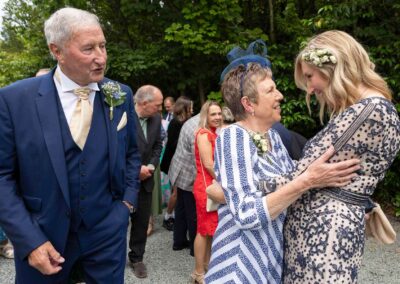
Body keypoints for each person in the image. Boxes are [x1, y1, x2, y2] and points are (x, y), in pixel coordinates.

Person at [0, 7, 141, 283]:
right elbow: (2, 176)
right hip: (43, 237)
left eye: (103, 45)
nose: (101, 57)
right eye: (88, 48)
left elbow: (133, 153)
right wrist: (29, 240)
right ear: (57, 51)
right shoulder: (14, 100)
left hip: (106, 233)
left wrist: (126, 204)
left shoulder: (120, 94)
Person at [204, 62, 360, 283]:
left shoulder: (273, 137)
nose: (280, 95)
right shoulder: (233, 137)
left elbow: (291, 182)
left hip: (271, 260)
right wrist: (307, 181)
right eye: (270, 90)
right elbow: (246, 213)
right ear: (248, 104)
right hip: (239, 266)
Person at [281, 30, 400, 283]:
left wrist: (240, 187)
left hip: (325, 236)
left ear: (333, 66)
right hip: (324, 232)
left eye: (310, 77)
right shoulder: (367, 109)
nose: (310, 89)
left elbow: (302, 174)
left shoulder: (370, 110)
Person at [129, 85, 163, 279]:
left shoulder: (156, 119)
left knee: (141, 222)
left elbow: (158, 145)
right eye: (157, 105)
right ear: (144, 103)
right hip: (124, 180)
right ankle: (112, 257)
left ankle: (137, 258)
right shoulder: (122, 117)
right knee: (118, 220)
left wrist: (150, 167)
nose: (160, 110)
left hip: (146, 179)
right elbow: (114, 151)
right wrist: (135, 170)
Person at [189, 101, 222, 284]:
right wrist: (225, 181)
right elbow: (208, 164)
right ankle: (198, 272)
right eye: (213, 114)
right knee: (203, 230)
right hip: (207, 188)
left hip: (212, 186)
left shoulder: (213, 133)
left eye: (219, 113)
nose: (217, 117)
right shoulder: (203, 134)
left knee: (210, 230)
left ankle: (207, 268)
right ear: (205, 116)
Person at [168, 114, 200, 257]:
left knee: (181, 208)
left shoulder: (194, 121)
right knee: (192, 212)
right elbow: (197, 157)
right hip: (187, 173)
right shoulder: (197, 128)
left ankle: (178, 242)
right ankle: (195, 247)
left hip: (179, 169)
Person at [160, 96, 193, 231]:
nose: (192, 109)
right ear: (184, 108)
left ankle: (177, 216)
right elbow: (173, 145)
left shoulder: (186, 121)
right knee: (176, 192)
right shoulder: (175, 123)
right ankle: (167, 217)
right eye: (190, 107)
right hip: (174, 162)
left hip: (181, 161)